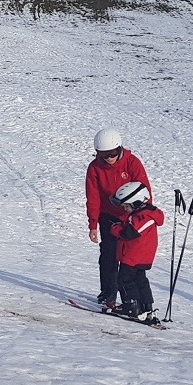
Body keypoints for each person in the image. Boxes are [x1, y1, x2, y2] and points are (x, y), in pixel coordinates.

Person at [84, 128, 151, 310]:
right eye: (103, 155)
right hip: (108, 217)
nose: (108, 159)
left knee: (129, 259)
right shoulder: (95, 168)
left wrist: (141, 219)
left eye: (111, 154)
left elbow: (144, 192)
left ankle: (133, 300)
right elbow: (93, 198)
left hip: (130, 218)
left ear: (119, 149)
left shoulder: (132, 163)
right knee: (108, 254)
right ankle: (108, 294)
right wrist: (93, 224)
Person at [109, 181, 164, 320]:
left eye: (126, 206)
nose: (125, 209)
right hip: (139, 255)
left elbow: (131, 232)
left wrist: (115, 229)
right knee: (140, 280)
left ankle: (131, 305)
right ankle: (146, 306)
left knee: (124, 280)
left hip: (134, 255)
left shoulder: (144, 216)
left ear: (136, 203)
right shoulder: (144, 214)